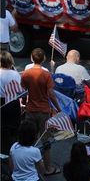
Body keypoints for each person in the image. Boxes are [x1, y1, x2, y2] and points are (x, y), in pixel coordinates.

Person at [21, 48, 61, 176]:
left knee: (28, 139)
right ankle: (48, 168)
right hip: (43, 111)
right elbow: (51, 94)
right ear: (43, 59)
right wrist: (58, 108)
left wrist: (24, 103)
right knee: (45, 140)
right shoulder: (46, 75)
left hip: (30, 110)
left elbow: (23, 90)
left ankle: (26, 165)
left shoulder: (26, 73)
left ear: (32, 58)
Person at [0, 51, 22, 154]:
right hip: (13, 101)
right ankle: (13, 150)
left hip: (1, 101)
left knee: (2, 127)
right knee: (14, 127)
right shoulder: (15, 74)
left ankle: (3, 151)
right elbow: (20, 89)